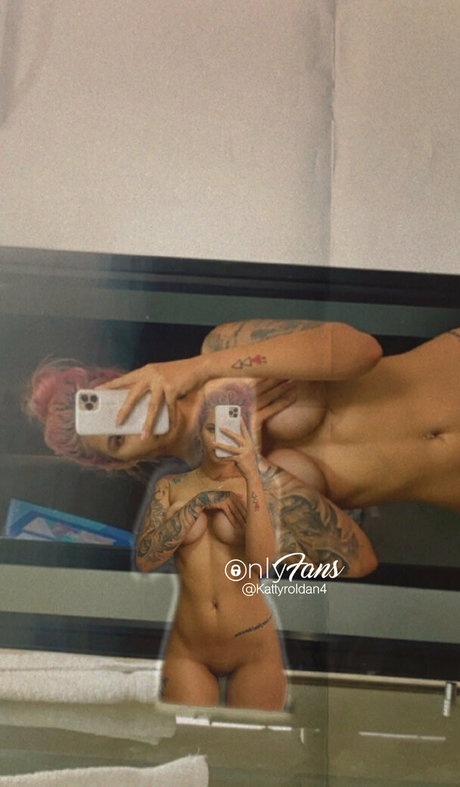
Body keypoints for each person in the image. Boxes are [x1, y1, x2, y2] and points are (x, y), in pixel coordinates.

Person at [28, 318, 460, 575]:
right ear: (119, 463)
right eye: (119, 440)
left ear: (124, 380)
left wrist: (203, 368)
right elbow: (357, 559)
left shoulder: (222, 348)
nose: (141, 427)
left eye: (123, 406)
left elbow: (361, 350)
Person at [136, 389, 287, 710]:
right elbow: (146, 560)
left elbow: (262, 563)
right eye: (211, 428)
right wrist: (199, 502)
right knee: (189, 737)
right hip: (190, 647)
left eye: (231, 429)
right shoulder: (172, 486)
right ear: (199, 433)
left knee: (253, 740)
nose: (221, 438)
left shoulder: (262, 487)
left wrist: (251, 473)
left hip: (253, 647)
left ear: (245, 433)